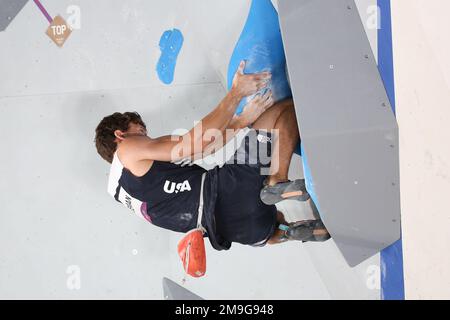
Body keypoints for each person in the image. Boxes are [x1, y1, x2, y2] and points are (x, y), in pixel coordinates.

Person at [94, 61, 330, 251]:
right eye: (140, 131)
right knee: (282, 111)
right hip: (227, 191)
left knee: (272, 220)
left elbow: (204, 149)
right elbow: (196, 143)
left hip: (235, 229)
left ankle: (289, 232)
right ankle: (277, 179)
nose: (147, 137)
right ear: (120, 134)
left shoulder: (127, 190)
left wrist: (240, 121)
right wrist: (237, 93)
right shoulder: (127, 150)